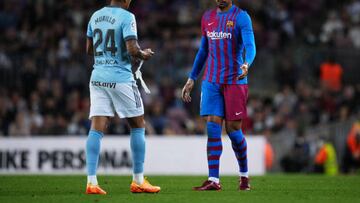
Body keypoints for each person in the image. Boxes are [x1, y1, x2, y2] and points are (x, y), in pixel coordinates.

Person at [85, 0, 160, 194]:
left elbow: (88, 49)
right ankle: (138, 180)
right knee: (138, 124)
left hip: (98, 77)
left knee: (97, 127)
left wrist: (107, 55)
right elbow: (133, 49)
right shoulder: (127, 17)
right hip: (120, 78)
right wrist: (143, 54)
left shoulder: (95, 16)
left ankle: (91, 182)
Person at [182, 0, 256, 191]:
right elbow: (203, 50)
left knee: (233, 130)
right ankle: (213, 179)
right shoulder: (207, 17)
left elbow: (250, 45)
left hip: (235, 80)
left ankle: (244, 176)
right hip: (211, 80)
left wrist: (247, 63)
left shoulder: (241, 17)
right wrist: (192, 78)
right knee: (213, 126)